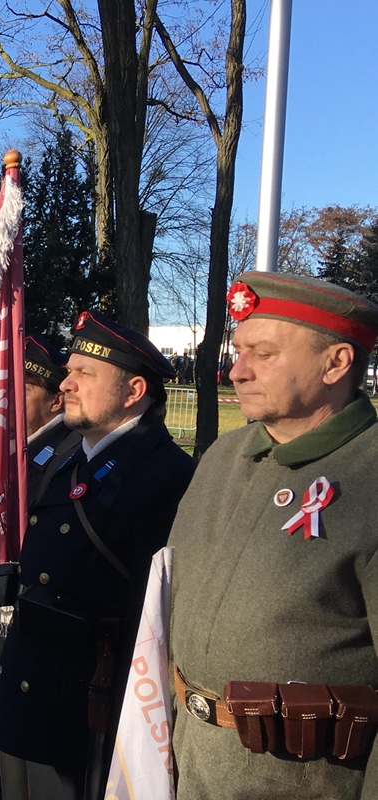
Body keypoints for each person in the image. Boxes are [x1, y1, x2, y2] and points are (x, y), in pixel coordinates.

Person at [168, 272, 378, 799]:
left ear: (337, 363)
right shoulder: (222, 458)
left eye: (264, 354)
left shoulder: (370, 475)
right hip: (191, 766)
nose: (237, 371)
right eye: (238, 351)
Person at [0, 310, 195, 800]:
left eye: (85, 373)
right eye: (70, 370)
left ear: (133, 392)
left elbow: (158, 620)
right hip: (32, 701)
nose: (67, 383)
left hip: (90, 721)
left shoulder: (163, 477)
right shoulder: (74, 456)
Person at [0, 333, 74, 800]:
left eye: (22, 389)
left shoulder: (64, 454)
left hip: (18, 630)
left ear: (55, 400)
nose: (4, 400)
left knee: (21, 773)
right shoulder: (3, 452)